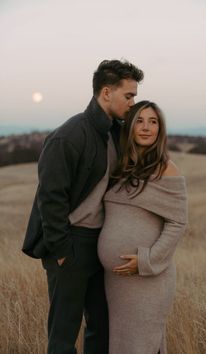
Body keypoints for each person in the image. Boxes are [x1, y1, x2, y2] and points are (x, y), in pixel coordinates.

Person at [22, 59, 144, 354]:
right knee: (63, 334)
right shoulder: (68, 136)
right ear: (106, 92)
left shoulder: (116, 132)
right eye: (128, 95)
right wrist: (62, 252)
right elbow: (50, 198)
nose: (132, 103)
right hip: (70, 243)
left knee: (101, 328)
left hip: (99, 244)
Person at [98, 100, 188, 354]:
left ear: (160, 128)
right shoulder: (120, 168)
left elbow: (178, 222)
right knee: (124, 344)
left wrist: (146, 261)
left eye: (153, 121)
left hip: (148, 278)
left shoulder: (166, 170)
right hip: (117, 281)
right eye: (139, 121)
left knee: (141, 344)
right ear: (129, 128)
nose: (146, 127)